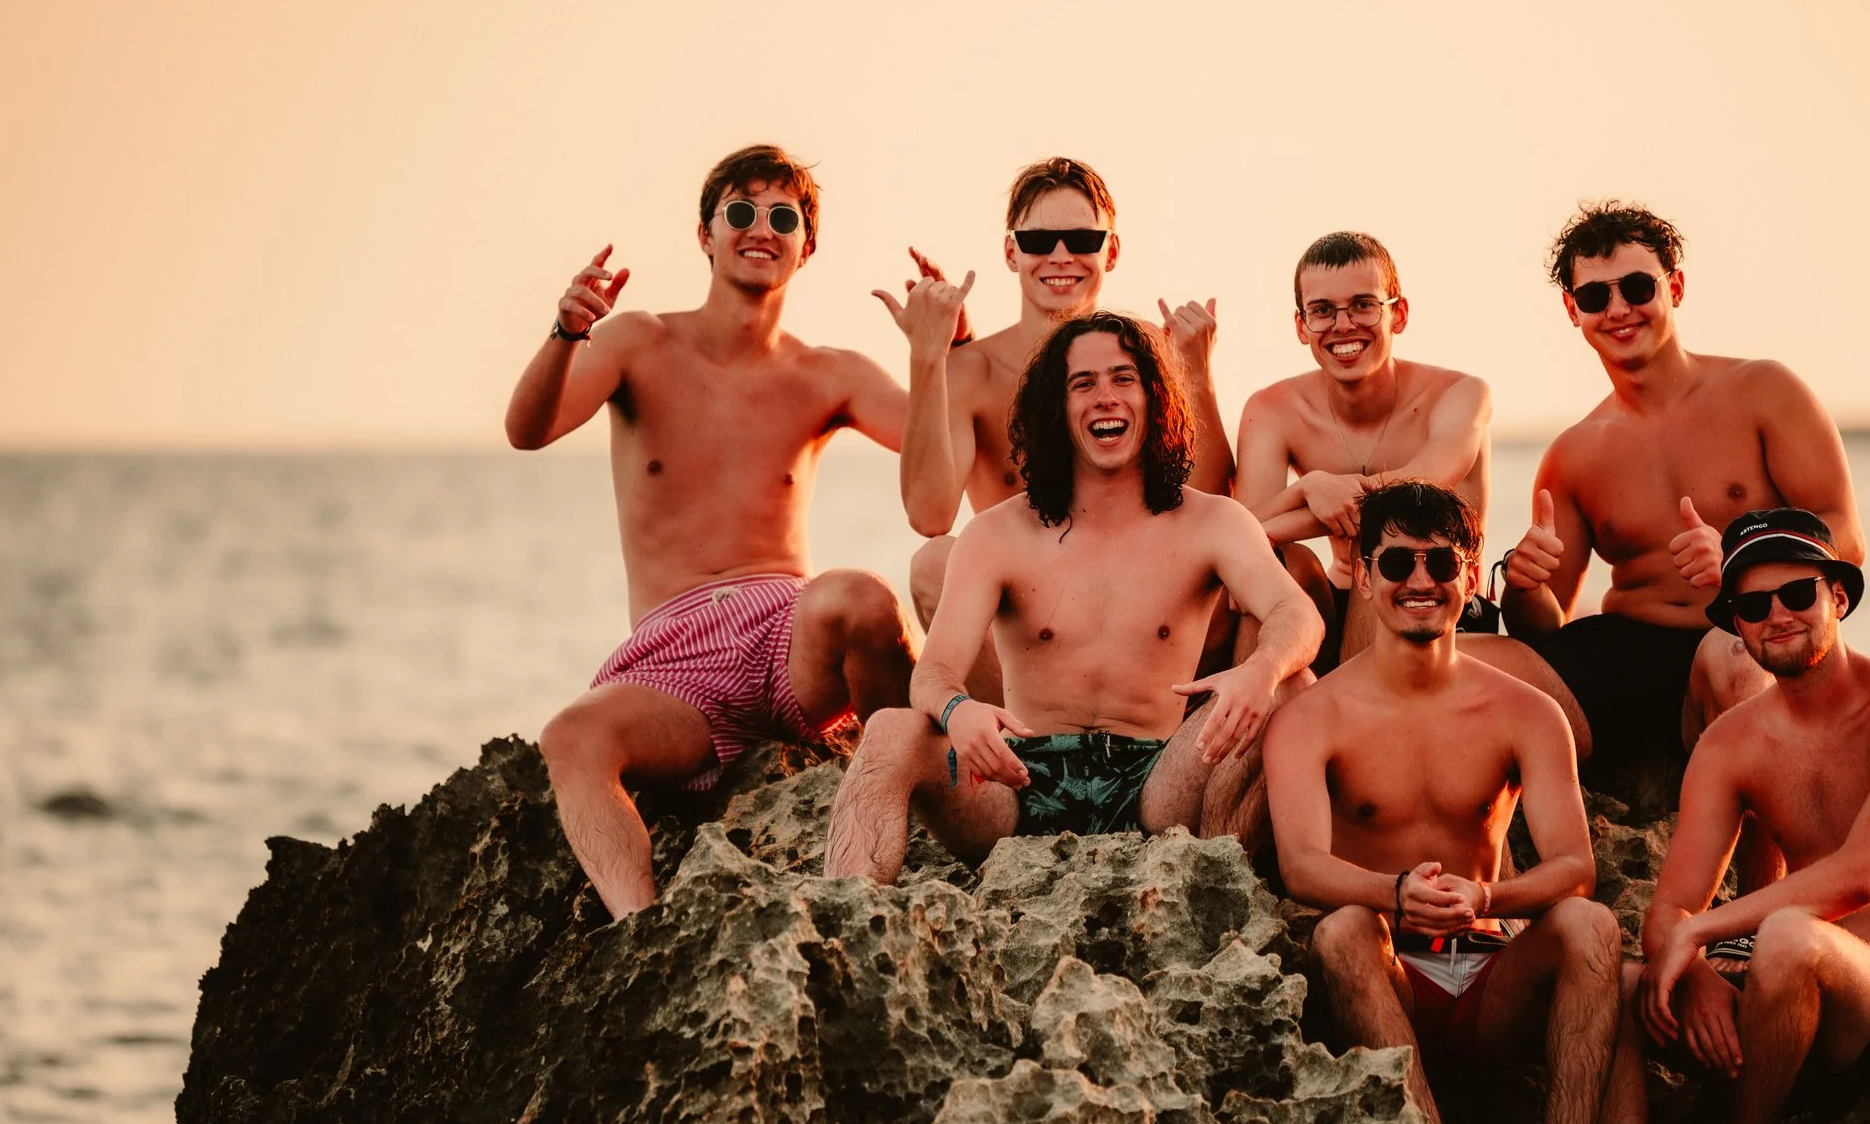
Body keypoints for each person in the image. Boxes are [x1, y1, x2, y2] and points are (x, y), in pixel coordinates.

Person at [505, 144, 915, 919]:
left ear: (807, 245)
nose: (761, 228)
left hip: (787, 637)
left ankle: (899, 778)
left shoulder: (832, 373)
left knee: (862, 597)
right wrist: (564, 332)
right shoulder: (636, 342)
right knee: (571, 737)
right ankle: (643, 928)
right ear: (705, 233)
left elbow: (945, 457)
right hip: (674, 660)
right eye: (741, 211)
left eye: (783, 216)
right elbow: (529, 430)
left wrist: (941, 352)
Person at [825, 313, 1318, 882]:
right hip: (1016, 784)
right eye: (1082, 384)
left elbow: (1295, 612)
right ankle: (841, 915)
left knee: (1292, 686)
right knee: (890, 729)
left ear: (1155, 398)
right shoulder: (996, 534)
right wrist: (959, 711)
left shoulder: (1212, 521)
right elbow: (933, 674)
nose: (1104, 398)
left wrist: (1261, 668)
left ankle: (1211, 880)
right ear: (1054, 410)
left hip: (1159, 788)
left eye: (1123, 378)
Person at [1264, 481, 1624, 1124]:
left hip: (1492, 973)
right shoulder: (1314, 715)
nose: (1420, 582)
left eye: (1440, 563)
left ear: (1469, 574)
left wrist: (1485, 900)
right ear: (1363, 576)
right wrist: (1393, 891)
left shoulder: (1525, 710)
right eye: (1397, 563)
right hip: (1391, 985)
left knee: (1591, 927)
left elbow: (1574, 867)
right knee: (1340, 930)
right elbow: (1301, 864)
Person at [1623, 508, 1870, 1124]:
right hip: (1785, 989)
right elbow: (1670, 904)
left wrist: (1700, 932)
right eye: (1754, 604)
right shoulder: (1732, 742)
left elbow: (1863, 874)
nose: (1777, 614)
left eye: (1798, 594)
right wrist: (1691, 973)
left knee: (1783, 937)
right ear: (1736, 624)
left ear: (1837, 596)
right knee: (1621, 979)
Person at [1501, 202, 1864, 788]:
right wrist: (1522, 584)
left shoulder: (1763, 390)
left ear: (1675, 287)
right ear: (1574, 309)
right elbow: (1543, 626)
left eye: (1638, 287)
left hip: (1742, 636)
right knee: (1443, 664)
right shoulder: (1574, 452)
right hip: (1619, 658)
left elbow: (1845, 534)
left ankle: (1763, 879)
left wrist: (1742, 558)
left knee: (1735, 661)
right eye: (1595, 297)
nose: (1618, 309)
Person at [881, 158, 1235, 700]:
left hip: (1143, 619)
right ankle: (1017, 748)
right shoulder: (972, 371)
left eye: (1082, 238)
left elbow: (1210, 500)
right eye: (1039, 239)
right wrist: (928, 357)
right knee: (934, 564)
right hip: (1030, 638)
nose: (1061, 256)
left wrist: (1198, 376)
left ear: (1110, 251)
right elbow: (929, 517)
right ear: (1011, 251)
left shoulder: (1148, 354)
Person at [1232, 232, 1583, 737]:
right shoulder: (1272, 409)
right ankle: (1247, 751)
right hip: (1338, 606)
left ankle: (1361, 742)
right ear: (1301, 325)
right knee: (1276, 566)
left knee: (1380, 551)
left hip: (1435, 599)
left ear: (1398, 314)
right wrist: (1306, 487)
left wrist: (1327, 495)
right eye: (1323, 310)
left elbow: (1408, 496)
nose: (1343, 325)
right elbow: (1245, 545)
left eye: (1363, 305)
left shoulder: (1460, 395)